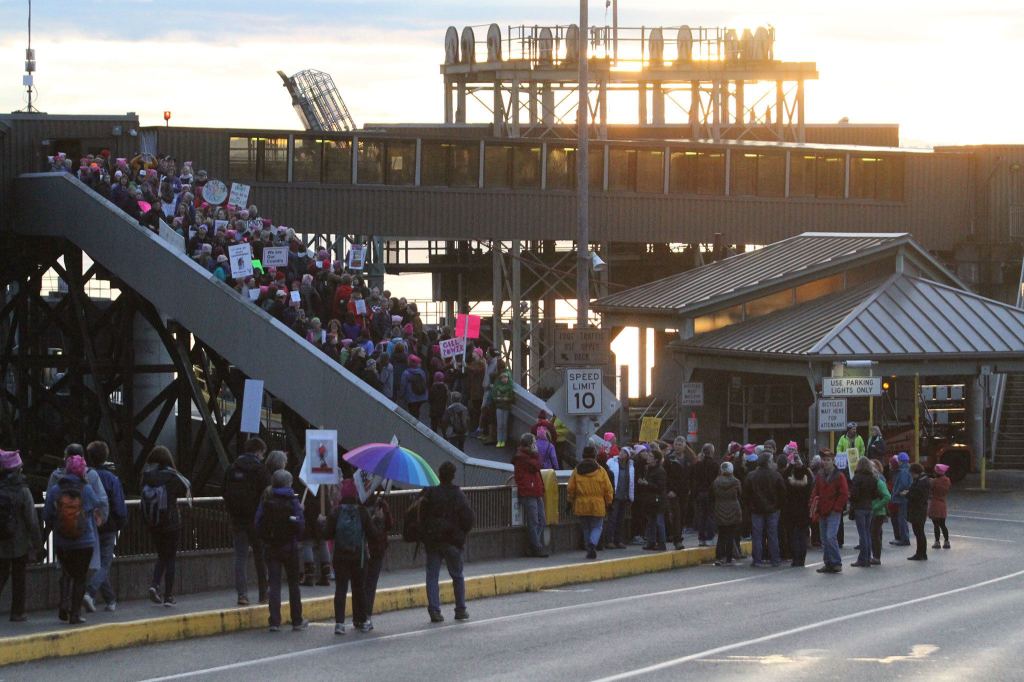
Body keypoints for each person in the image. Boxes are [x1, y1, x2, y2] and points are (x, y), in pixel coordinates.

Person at [44, 454, 99, 624]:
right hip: (84, 541)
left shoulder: (55, 490)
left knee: (67, 573)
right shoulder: (86, 489)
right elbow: (95, 505)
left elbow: (47, 515)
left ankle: (63, 603)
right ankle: (75, 614)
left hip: (62, 542)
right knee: (80, 577)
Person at [322, 478, 380, 634]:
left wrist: (321, 522)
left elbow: (326, 534)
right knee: (359, 588)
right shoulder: (362, 512)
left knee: (341, 589)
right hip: (359, 557)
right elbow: (373, 535)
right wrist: (377, 520)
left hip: (340, 557)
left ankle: (339, 624)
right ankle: (361, 620)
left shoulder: (336, 512)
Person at [420, 461, 475, 623]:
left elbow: (422, 516)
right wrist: (460, 534)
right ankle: (460, 609)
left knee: (432, 576)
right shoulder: (458, 495)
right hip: (453, 541)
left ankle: (434, 610)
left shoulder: (431, 493)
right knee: (457, 576)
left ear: (439, 475)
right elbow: (468, 519)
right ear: (453, 476)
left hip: (434, 541)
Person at [255, 469, 308, 632]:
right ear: (288, 483)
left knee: (274, 585)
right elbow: (301, 526)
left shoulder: (267, 499)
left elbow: (258, 522)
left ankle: (274, 621)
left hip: (271, 547)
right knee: (294, 585)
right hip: (290, 547)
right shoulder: (292, 500)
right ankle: (297, 620)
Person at [222, 437, 271, 606]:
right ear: (258, 452)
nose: (263, 457)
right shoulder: (260, 470)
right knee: (260, 556)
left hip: (237, 519)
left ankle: (242, 595)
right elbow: (267, 493)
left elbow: (224, 491)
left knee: (240, 557)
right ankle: (263, 594)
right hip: (256, 520)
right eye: (263, 454)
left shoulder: (232, 468)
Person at [141, 446, 191, 607]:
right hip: (171, 523)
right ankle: (168, 596)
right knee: (170, 558)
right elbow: (186, 486)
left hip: (154, 523)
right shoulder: (172, 477)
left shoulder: (147, 476)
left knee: (162, 555)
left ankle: (154, 585)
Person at [84, 441, 127, 613]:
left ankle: (110, 599)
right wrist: (120, 522)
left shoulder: (85, 476)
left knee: (98, 564)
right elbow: (118, 504)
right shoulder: (111, 478)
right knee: (105, 563)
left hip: (89, 524)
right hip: (108, 526)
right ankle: (90, 593)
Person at [0, 449, 42, 622]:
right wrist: (38, 544)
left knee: (1, 575)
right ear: (18, 469)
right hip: (19, 542)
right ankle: (17, 612)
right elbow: (32, 520)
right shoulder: (23, 490)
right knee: (19, 578)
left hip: (1, 541)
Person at [567, 446, 613, 559]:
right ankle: (593, 543)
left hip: (581, 503)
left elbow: (571, 488)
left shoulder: (577, 470)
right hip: (597, 504)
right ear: (595, 455)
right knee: (597, 526)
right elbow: (608, 489)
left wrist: (570, 501)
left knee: (586, 528)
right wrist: (609, 502)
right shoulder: (601, 470)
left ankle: (589, 548)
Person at [742, 452, 786, 567]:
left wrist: (750, 506)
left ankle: (757, 560)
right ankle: (775, 559)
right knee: (773, 535)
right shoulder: (776, 475)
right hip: (773, 509)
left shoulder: (751, 475)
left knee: (757, 535)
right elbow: (782, 492)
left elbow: (745, 494)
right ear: (768, 462)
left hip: (756, 510)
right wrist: (778, 506)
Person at [813, 450, 849, 574]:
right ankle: (828, 563)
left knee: (830, 536)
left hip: (834, 511)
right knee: (824, 539)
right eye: (824, 460)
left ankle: (836, 562)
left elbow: (844, 493)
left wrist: (837, 507)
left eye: (828, 460)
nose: (826, 462)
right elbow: (816, 491)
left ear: (833, 461)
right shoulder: (820, 475)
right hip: (822, 510)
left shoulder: (839, 476)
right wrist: (814, 505)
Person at [512, 433, 548, 558]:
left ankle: (533, 545)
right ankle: (536, 547)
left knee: (541, 520)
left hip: (535, 491)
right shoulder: (522, 458)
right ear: (529, 444)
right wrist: (536, 453)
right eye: (534, 443)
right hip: (528, 492)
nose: (535, 445)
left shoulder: (528, 456)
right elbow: (537, 465)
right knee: (534, 521)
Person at [363, 490, 393, 631]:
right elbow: (390, 525)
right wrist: (379, 518)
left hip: (360, 550)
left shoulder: (359, 504)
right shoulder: (381, 504)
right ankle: (366, 616)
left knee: (360, 584)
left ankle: (358, 617)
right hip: (376, 549)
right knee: (370, 585)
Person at [849, 457, 881, 568]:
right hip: (869, 507)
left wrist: (852, 499)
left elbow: (854, 494)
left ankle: (863, 559)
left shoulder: (857, 477)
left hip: (859, 507)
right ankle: (867, 557)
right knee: (867, 533)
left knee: (862, 534)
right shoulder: (873, 478)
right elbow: (876, 494)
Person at [782, 455, 813, 567]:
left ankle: (795, 559)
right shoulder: (807, 481)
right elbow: (811, 478)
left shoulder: (789, 480)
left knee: (793, 536)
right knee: (802, 536)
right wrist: (803, 466)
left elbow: (784, 476)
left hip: (791, 511)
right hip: (804, 511)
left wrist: (791, 465)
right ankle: (802, 559)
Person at [712, 461, 742, 566]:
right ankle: (729, 558)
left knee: (721, 534)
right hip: (733, 509)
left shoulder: (716, 482)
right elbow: (740, 494)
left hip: (720, 509)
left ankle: (719, 557)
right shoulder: (736, 482)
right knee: (730, 534)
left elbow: (712, 495)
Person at [604, 446, 634, 549]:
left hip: (624, 496)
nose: (621, 453)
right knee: (612, 518)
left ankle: (618, 540)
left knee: (621, 520)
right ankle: (609, 540)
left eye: (624, 452)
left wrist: (631, 496)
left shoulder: (630, 466)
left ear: (628, 456)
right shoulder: (611, 462)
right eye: (621, 451)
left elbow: (631, 482)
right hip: (615, 495)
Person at [639, 449, 668, 551]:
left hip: (658, 500)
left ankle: (662, 543)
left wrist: (647, 484)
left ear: (656, 459)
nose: (648, 457)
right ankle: (651, 542)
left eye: (651, 456)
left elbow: (660, 487)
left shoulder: (660, 471)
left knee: (659, 522)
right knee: (650, 522)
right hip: (650, 500)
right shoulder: (649, 469)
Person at [692, 444, 718, 547]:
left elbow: (694, 479)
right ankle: (709, 537)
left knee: (701, 515)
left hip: (700, 493)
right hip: (711, 493)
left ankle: (701, 538)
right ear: (712, 452)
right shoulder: (715, 465)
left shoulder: (698, 465)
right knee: (710, 515)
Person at [907, 462, 932, 561]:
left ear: (914, 472)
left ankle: (920, 553)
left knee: (919, 532)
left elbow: (916, 496)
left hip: (918, 510)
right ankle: (922, 553)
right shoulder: (924, 480)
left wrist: (907, 494)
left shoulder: (920, 482)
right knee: (920, 532)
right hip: (921, 509)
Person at [664, 443, 686, 551]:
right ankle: (677, 540)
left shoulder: (687, 459)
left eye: (680, 445)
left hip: (684, 493)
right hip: (673, 493)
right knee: (676, 516)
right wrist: (670, 490)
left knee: (682, 516)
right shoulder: (669, 460)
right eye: (676, 444)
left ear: (684, 447)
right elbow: (666, 476)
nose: (678, 446)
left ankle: (677, 536)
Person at [869, 459, 891, 565]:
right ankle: (874, 556)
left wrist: (876, 507)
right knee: (873, 534)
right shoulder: (872, 482)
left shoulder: (879, 482)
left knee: (875, 535)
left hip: (879, 513)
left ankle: (876, 557)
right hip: (873, 512)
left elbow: (887, 496)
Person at [890, 452, 913, 547]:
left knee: (902, 519)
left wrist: (896, 492)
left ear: (900, 461)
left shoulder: (903, 471)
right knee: (902, 518)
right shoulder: (908, 469)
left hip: (902, 498)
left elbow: (903, 484)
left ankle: (904, 539)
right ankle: (904, 538)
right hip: (905, 498)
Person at [930, 463, 952, 550]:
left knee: (936, 525)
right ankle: (946, 541)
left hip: (935, 503)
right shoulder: (947, 480)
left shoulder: (934, 481)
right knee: (943, 524)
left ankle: (937, 542)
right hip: (943, 503)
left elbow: (930, 489)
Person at [490, 371, 515, 448]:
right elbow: (494, 397)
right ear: (500, 379)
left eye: (506, 377)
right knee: (499, 424)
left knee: (504, 424)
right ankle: (499, 440)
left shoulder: (510, 387)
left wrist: (503, 399)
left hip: (506, 407)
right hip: (499, 407)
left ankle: (503, 440)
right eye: (503, 378)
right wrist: (503, 399)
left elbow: (512, 398)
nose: (504, 379)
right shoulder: (497, 387)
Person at [399, 354, 429, 420]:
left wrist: (401, 395)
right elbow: (425, 382)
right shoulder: (421, 372)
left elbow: (403, 385)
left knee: (412, 412)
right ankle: (417, 420)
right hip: (421, 396)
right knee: (417, 410)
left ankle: (413, 423)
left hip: (411, 397)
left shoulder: (406, 373)